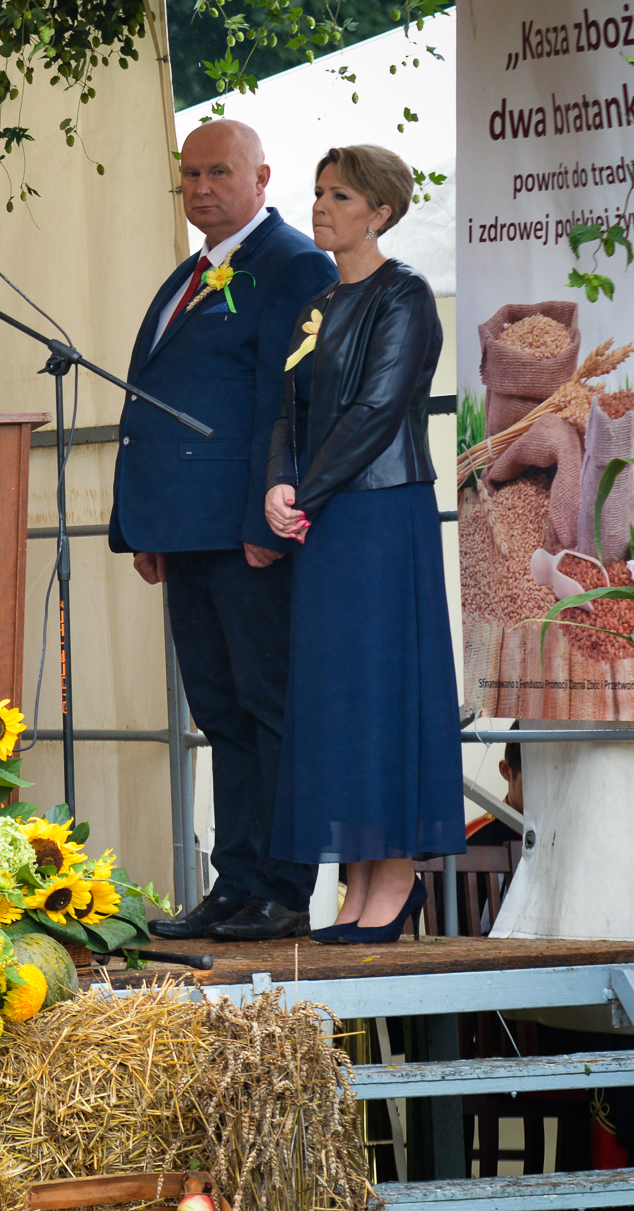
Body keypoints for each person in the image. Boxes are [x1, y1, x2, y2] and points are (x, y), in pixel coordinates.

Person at [112, 119, 338, 943]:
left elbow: (290, 402)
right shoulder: (190, 274)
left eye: (219, 172)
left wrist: (267, 520)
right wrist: (144, 523)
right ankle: (235, 881)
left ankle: (283, 886)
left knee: (268, 707)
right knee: (219, 711)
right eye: (191, 174)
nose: (201, 187)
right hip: (187, 533)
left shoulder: (293, 263)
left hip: (248, 533)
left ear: (262, 178)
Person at [264, 143, 463, 944]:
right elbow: (290, 409)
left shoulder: (403, 294)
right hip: (327, 516)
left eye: (341, 195)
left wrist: (304, 493)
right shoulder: (317, 302)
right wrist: (279, 485)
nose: (321, 207)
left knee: (385, 692)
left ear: (380, 212)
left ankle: (396, 880)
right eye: (319, 192)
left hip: (382, 513)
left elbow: (378, 409)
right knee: (339, 698)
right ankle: (358, 882)